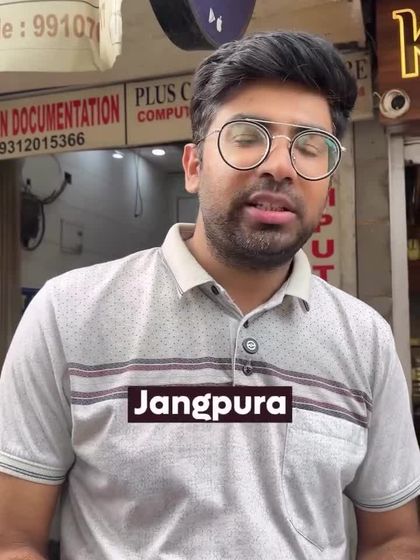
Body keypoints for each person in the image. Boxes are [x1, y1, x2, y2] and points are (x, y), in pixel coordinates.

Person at [0, 30, 419, 560]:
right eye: (247, 136)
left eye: (310, 146)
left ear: (327, 182)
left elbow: (395, 538)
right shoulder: (69, 313)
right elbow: (14, 538)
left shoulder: (365, 340)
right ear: (194, 167)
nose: (280, 166)